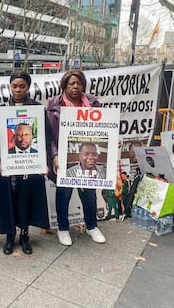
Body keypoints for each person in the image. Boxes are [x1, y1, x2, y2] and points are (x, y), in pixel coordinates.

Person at [0, 70, 50, 255]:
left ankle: (24, 235)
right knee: (9, 201)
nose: (18, 89)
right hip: (7, 167)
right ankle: (9, 236)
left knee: (26, 200)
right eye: (14, 86)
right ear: (10, 87)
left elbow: (45, 138)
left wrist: (43, 162)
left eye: (22, 86)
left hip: (31, 165)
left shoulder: (38, 109)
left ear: (28, 87)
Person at [47, 70, 106, 246]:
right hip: (64, 157)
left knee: (89, 194)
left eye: (78, 83)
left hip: (87, 157)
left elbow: (104, 128)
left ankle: (92, 226)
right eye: (71, 83)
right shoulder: (55, 105)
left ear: (83, 85)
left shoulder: (93, 103)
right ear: (64, 86)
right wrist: (55, 155)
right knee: (64, 194)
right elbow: (50, 136)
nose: (75, 86)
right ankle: (63, 229)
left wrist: (110, 142)